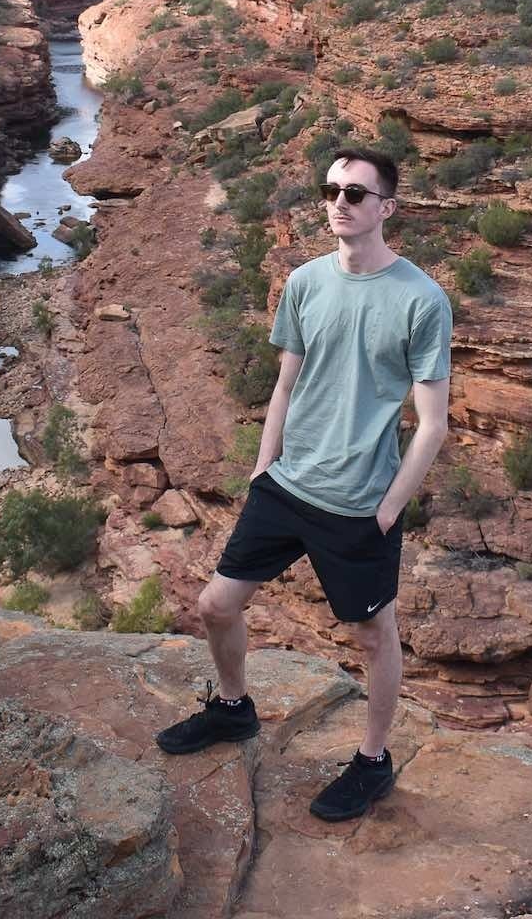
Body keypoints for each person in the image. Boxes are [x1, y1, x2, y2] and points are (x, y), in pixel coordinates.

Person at [154, 146, 453, 822]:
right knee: (215, 605)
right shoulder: (305, 282)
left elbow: (432, 424)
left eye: (355, 194)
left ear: (387, 208)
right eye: (331, 191)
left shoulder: (421, 300)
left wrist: (387, 511)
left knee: (373, 637)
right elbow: (286, 381)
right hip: (287, 485)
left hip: (358, 505)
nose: (340, 204)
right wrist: (265, 464)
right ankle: (234, 709)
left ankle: (373, 760)